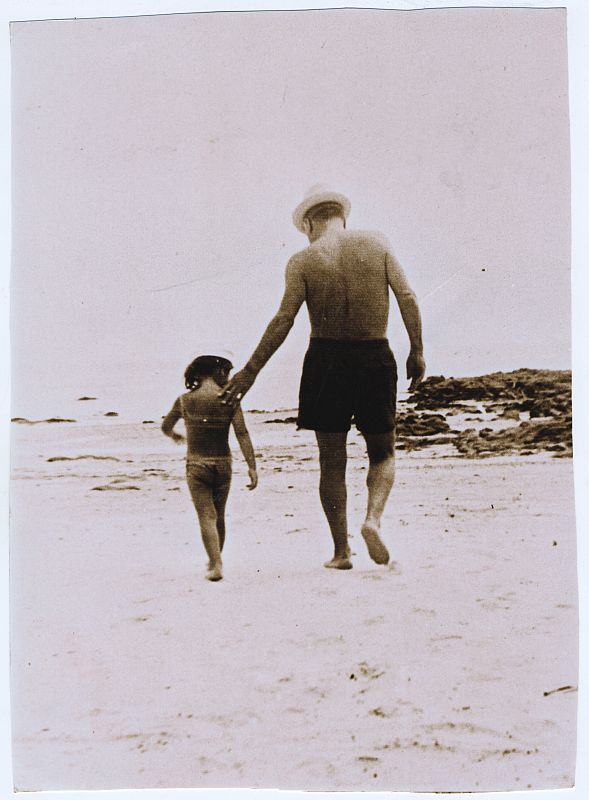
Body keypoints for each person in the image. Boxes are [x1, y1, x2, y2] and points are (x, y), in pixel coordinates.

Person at [220, 185, 425, 570]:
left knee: (331, 462)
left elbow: (283, 320)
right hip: (373, 354)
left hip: (326, 360)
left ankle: (341, 552)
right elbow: (408, 297)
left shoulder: (302, 260)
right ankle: (373, 519)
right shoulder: (377, 242)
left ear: (310, 223)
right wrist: (417, 349)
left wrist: (249, 372)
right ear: (341, 216)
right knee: (383, 452)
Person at [162, 354, 258, 581]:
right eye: (227, 373)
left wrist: (175, 436)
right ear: (219, 372)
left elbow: (166, 426)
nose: (229, 378)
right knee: (219, 515)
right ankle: (216, 558)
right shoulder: (230, 400)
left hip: (197, 465)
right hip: (223, 464)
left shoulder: (184, 400)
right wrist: (252, 466)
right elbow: (242, 433)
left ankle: (215, 563)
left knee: (206, 516)